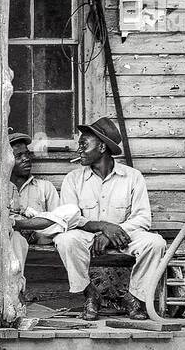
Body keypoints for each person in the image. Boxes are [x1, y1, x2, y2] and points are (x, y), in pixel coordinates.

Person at [54, 117, 167, 321]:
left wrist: (115, 231)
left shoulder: (133, 177)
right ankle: (90, 294)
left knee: (155, 243)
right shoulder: (73, 179)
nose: (79, 149)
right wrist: (103, 227)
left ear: (102, 147)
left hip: (124, 237)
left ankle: (133, 298)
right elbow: (69, 219)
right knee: (65, 240)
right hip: (88, 238)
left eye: (83, 144)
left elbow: (142, 218)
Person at [7, 131, 69, 295]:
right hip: (8, 239)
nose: (26, 159)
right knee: (16, 239)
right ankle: (16, 292)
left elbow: (59, 221)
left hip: (40, 236)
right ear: (6, 161)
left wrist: (33, 229)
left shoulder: (44, 187)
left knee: (69, 215)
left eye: (27, 154)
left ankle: (15, 293)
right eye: (19, 156)